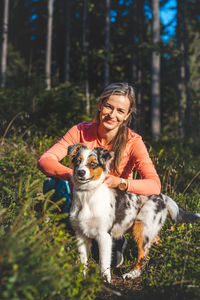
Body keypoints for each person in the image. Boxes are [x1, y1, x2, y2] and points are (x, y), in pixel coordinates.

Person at [37, 82, 161, 266]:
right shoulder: (80, 131)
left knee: (111, 261)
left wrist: (120, 182)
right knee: (51, 182)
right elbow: (45, 160)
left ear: (127, 115)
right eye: (109, 107)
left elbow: (154, 185)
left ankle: (117, 240)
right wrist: (74, 175)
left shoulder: (133, 142)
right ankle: (64, 235)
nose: (112, 115)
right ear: (100, 105)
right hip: (78, 204)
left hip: (111, 211)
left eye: (120, 110)